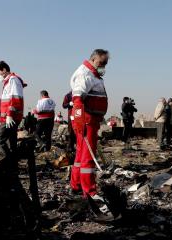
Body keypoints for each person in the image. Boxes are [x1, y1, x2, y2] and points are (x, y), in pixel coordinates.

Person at [70, 49, 109, 199]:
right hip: (87, 121)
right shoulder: (85, 74)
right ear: (93, 60)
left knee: (80, 154)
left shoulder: (93, 74)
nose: (103, 66)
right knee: (88, 156)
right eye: (101, 63)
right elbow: (78, 99)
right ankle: (89, 191)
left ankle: (76, 185)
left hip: (90, 119)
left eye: (105, 64)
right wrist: (80, 122)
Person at [0, 60, 27, 165]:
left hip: (11, 117)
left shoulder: (13, 80)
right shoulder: (8, 81)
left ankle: (10, 163)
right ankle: (14, 165)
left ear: (4, 70)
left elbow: (15, 99)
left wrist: (9, 115)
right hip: (9, 117)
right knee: (12, 142)